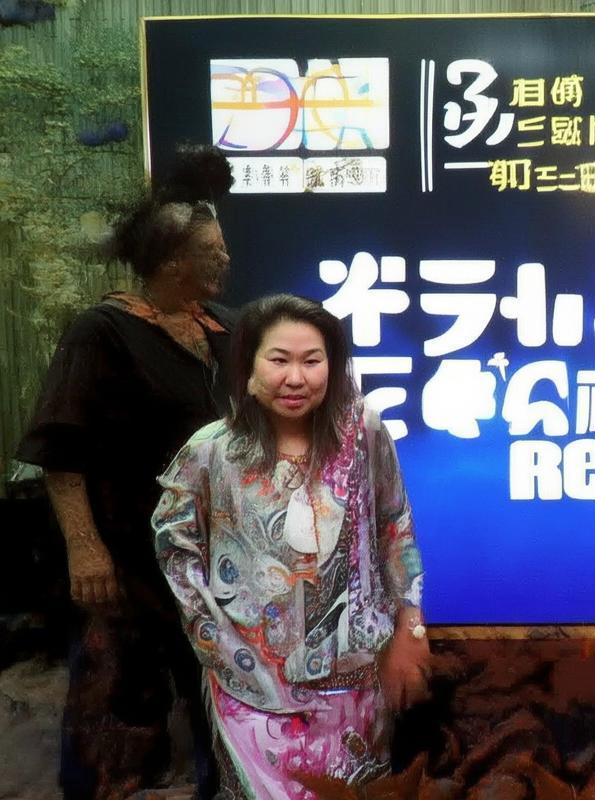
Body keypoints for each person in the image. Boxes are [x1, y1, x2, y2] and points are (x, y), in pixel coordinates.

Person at [16, 147, 235, 800]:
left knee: (213, 693)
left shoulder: (222, 331)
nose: (226, 258)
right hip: (126, 552)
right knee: (116, 695)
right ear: (171, 261)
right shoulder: (103, 331)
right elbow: (62, 449)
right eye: (212, 250)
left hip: (209, 555)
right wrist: (85, 547)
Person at [152, 294, 429, 799]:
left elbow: (396, 527)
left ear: (333, 366)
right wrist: (213, 636)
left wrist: (410, 625)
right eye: (279, 360)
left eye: (312, 361)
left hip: (355, 686)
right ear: (249, 365)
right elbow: (175, 547)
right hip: (250, 689)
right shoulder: (212, 450)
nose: (296, 378)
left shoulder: (363, 433)